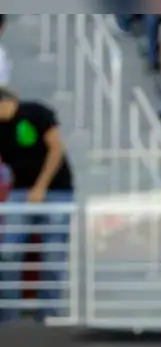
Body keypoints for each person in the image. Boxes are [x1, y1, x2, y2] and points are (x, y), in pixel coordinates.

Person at [0, 88, 75, 322]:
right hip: (20, 191)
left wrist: (41, 186)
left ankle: (48, 316)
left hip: (56, 191)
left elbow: (56, 148)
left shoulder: (35, 113)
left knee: (53, 256)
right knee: (8, 252)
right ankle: (8, 317)